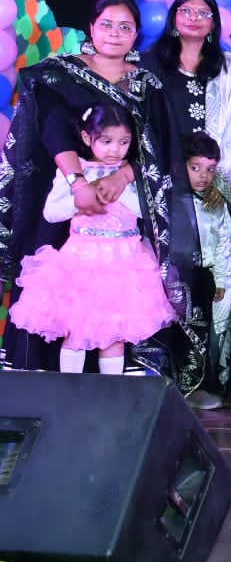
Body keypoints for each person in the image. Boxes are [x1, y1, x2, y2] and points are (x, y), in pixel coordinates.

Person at [0, 0, 194, 376]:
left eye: (125, 27)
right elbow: (52, 128)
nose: (115, 33)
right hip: (66, 196)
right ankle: (53, 385)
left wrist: (122, 177)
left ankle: (119, 387)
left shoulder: (148, 84)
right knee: (63, 307)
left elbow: (160, 142)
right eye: (106, 24)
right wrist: (78, 185)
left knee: (121, 310)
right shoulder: (59, 74)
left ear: (136, 34)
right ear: (91, 27)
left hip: (125, 205)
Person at [148, 0, 231, 403]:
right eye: (187, 10)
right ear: (173, 17)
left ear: (214, 22)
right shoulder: (151, 65)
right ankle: (158, 377)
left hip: (211, 192)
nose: (195, 18)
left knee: (210, 284)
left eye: (204, 12)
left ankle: (202, 380)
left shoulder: (226, 68)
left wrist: (219, 181)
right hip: (162, 189)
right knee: (163, 283)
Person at [9, 105, 178, 374]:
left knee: (115, 337)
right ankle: (70, 391)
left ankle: (110, 394)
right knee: (75, 333)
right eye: (106, 141)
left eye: (124, 142)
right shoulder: (76, 171)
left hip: (125, 263)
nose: (115, 150)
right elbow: (51, 213)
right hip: (81, 262)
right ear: (88, 138)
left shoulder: (132, 173)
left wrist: (116, 188)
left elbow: (146, 211)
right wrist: (80, 199)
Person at [183, 132, 231, 409]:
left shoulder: (213, 203)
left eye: (210, 169)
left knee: (201, 333)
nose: (203, 176)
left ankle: (197, 386)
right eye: (195, 167)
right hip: (175, 275)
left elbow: (222, 241)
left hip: (203, 275)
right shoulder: (169, 199)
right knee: (176, 332)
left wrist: (221, 279)